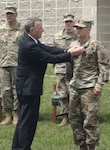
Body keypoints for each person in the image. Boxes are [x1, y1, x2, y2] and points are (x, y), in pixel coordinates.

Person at [11, 17, 85, 150]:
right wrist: (71, 54)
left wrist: (66, 50)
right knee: (28, 122)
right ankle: (22, 147)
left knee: (24, 120)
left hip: (27, 87)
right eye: (40, 28)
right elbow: (50, 58)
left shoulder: (33, 42)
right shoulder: (29, 45)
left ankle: (18, 147)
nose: (43, 30)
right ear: (32, 30)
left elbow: (49, 49)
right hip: (28, 89)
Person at [67, 18, 109, 150]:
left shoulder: (96, 45)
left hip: (89, 87)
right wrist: (68, 84)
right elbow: (69, 66)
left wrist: (99, 85)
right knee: (74, 118)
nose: (78, 30)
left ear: (88, 29)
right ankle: (81, 145)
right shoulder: (73, 44)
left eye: (81, 28)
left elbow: (104, 67)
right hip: (75, 87)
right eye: (77, 28)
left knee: (90, 119)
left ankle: (91, 146)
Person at [0, 5, 23, 125]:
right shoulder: (1, 28)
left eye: (11, 14)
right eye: (7, 14)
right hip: (3, 64)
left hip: (17, 64)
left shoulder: (22, 29)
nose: (9, 16)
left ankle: (16, 114)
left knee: (16, 90)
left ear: (16, 14)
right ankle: (8, 114)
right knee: (5, 90)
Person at [53, 14, 77, 126]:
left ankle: (75, 117)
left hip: (75, 69)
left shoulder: (78, 36)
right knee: (62, 93)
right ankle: (64, 117)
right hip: (61, 68)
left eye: (70, 22)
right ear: (63, 23)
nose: (68, 24)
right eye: (66, 22)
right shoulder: (57, 36)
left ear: (73, 23)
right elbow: (53, 52)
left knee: (74, 93)